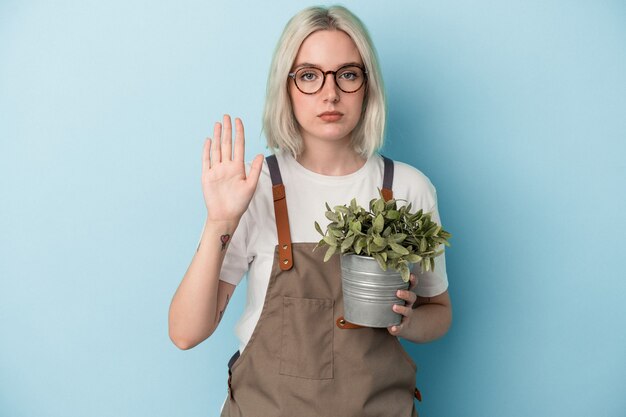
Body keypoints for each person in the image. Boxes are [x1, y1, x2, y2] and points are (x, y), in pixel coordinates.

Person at [168, 5, 452, 416]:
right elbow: (185, 333)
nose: (330, 93)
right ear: (286, 87)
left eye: (348, 74)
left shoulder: (408, 188)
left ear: (368, 86)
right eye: (309, 75)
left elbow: (439, 314)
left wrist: (406, 321)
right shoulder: (256, 187)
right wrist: (220, 220)